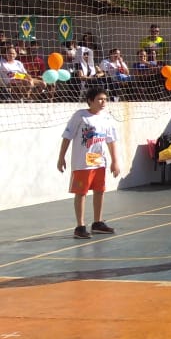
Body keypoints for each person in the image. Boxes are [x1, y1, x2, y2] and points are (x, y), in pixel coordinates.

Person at [57, 87, 120, 239]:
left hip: (99, 161)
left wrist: (115, 161)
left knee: (99, 190)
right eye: (100, 99)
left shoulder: (107, 118)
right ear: (90, 101)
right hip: (82, 163)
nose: (103, 102)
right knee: (81, 192)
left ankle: (97, 223)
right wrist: (61, 157)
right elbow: (67, 137)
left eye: (105, 99)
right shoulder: (80, 116)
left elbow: (111, 141)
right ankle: (80, 226)